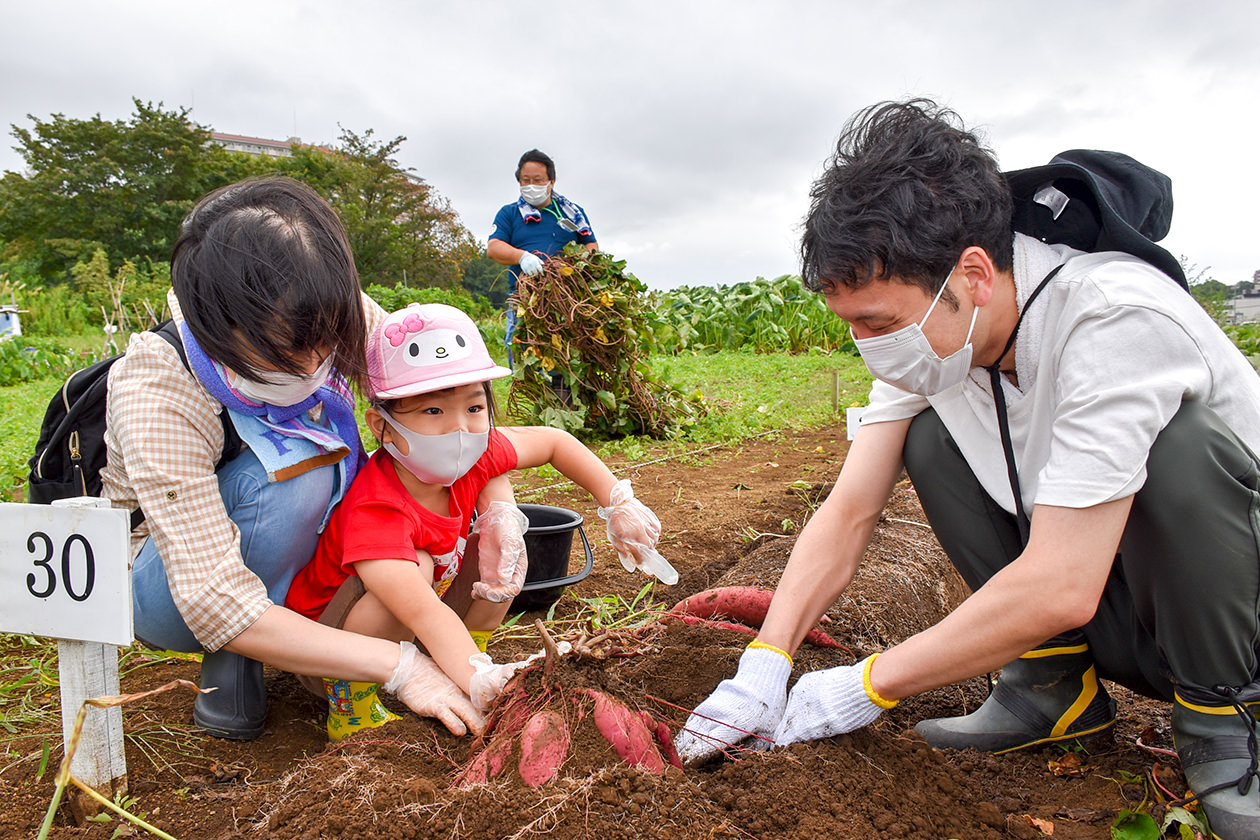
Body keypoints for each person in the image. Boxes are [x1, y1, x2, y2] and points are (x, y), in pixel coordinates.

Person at [675, 100, 1260, 838]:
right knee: (928, 440)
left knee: (1180, 449)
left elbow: (1062, 584)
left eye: (879, 323)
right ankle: (1052, 688)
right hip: (1130, 612)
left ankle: (1228, 724)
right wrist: (767, 657)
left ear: (974, 274)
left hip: (1236, 616)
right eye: (850, 324)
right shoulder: (938, 342)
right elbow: (850, 509)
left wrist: (868, 683)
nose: (865, 347)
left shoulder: (1112, 316)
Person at [104, 177, 483, 741]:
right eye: (283, 349)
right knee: (296, 474)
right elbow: (211, 593)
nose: (312, 363)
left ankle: (301, 635)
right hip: (170, 580)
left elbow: (440, 400)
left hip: (294, 553)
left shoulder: (329, 310)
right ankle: (239, 652)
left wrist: (496, 507)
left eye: (325, 340)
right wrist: (402, 668)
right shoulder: (159, 386)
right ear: (220, 324)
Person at [284, 302, 677, 739]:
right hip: (333, 649)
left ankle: (468, 656)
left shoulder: (475, 453)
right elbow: (424, 612)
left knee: (505, 547)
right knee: (419, 564)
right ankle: (352, 705)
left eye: (474, 408)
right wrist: (479, 677)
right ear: (384, 425)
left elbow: (555, 442)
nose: (461, 429)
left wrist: (617, 502)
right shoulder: (377, 509)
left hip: (412, 628)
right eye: (433, 412)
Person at [487, 149, 598, 367]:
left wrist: (577, 267)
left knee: (567, 357)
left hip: (568, 299)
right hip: (524, 299)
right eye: (525, 180)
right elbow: (494, 247)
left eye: (537, 180)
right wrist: (522, 257)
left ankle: (565, 399)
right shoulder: (509, 214)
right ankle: (533, 398)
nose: (531, 186)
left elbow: (591, 245)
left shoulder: (572, 212)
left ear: (551, 182)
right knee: (525, 360)